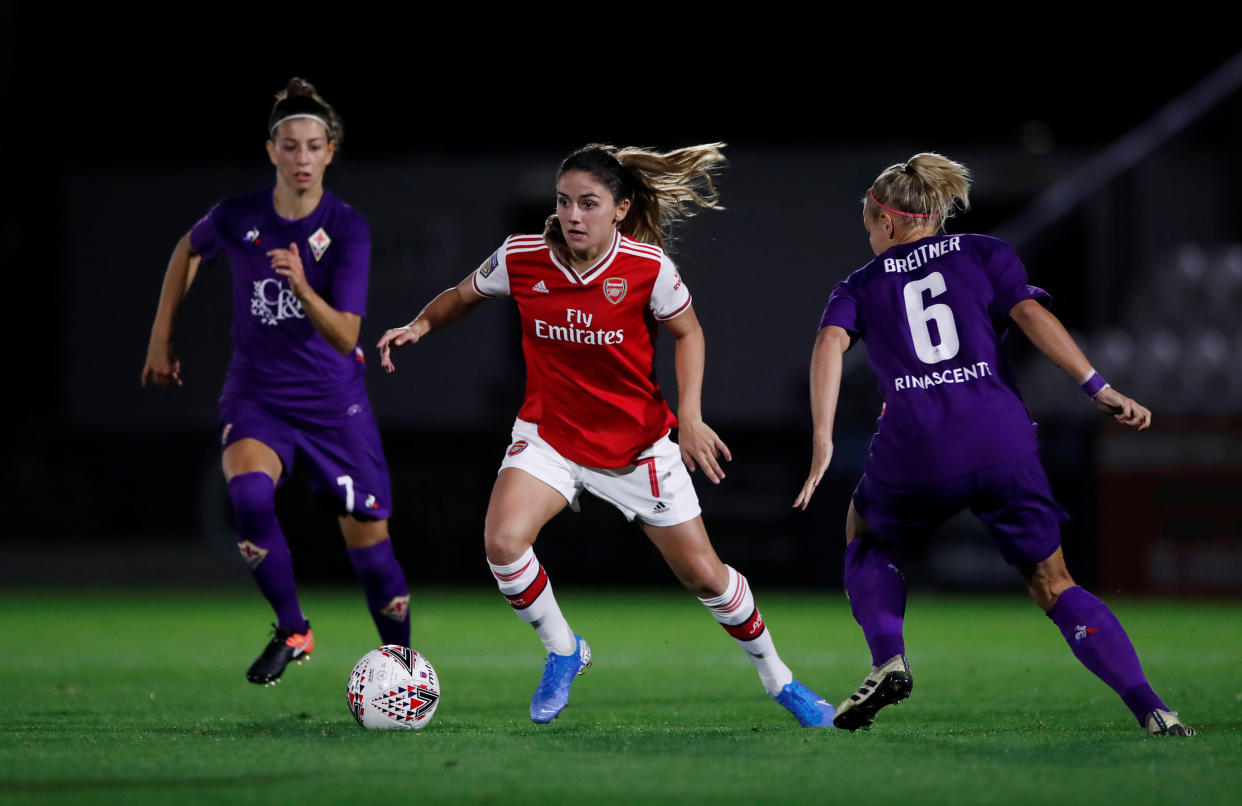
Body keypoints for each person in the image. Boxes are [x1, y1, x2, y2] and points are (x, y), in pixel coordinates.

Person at [378, 143, 835, 727]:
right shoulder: (523, 257)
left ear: (619, 209)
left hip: (637, 448)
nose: (572, 215)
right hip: (551, 437)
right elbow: (464, 295)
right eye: (565, 202)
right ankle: (564, 649)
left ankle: (781, 681)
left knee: (704, 574)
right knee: (502, 542)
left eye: (588, 204)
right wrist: (419, 324)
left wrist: (690, 417)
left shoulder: (648, 268)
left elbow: (689, 334)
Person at [794, 153, 1194, 737]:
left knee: (864, 534)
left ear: (887, 221)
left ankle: (889, 659)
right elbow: (1029, 313)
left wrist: (824, 437)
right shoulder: (985, 251)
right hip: (1001, 438)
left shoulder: (859, 283)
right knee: (1055, 583)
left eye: (868, 228)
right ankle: (1152, 709)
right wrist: (1097, 387)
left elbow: (830, 342)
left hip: (918, 443)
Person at [141, 78, 411, 686]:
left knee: (372, 552)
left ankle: (404, 666)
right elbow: (189, 248)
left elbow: (346, 335)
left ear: (330, 152)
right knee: (249, 500)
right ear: (271, 151)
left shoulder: (346, 228)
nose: (302, 158)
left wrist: (302, 287)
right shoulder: (239, 216)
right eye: (290, 146)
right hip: (258, 394)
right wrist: (161, 337)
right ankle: (293, 629)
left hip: (333, 404)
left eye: (314, 146)